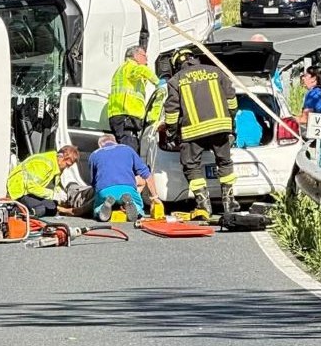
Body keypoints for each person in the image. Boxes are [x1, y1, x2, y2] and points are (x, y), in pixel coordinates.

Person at [163, 47, 239, 216]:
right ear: (194, 58)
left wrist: (171, 133)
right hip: (221, 127)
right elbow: (232, 101)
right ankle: (229, 203)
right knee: (225, 163)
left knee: (192, 167)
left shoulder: (176, 80)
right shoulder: (216, 72)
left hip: (192, 132)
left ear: (176, 64)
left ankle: (204, 205)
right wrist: (231, 121)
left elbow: (172, 112)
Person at [89, 135, 160, 222]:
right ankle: (135, 208)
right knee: (137, 204)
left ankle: (101, 209)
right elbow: (146, 174)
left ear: (100, 145)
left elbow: (93, 183)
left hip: (105, 190)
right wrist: (154, 197)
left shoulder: (94, 154)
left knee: (97, 207)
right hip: (127, 188)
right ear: (115, 142)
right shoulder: (127, 149)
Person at [107, 46, 159, 153]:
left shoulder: (123, 69)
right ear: (135, 56)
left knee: (127, 150)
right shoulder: (129, 66)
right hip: (126, 116)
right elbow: (142, 70)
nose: (147, 59)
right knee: (129, 152)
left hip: (123, 116)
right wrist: (158, 82)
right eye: (144, 56)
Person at [6, 146, 79, 217]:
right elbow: (31, 187)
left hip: (30, 192)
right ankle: (14, 210)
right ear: (61, 157)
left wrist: (59, 194)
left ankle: (28, 209)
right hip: (19, 192)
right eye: (67, 164)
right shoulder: (44, 164)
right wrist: (53, 195)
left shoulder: (56, 165)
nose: (67, 168)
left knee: (52, 207)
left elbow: (55, 185)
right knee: (40, 209)